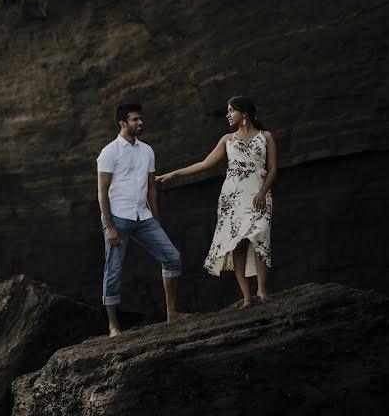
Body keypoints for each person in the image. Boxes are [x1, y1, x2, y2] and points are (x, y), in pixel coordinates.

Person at [156, 96, 277, 309]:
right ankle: (247, 297)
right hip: (232, 198)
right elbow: (204, 164)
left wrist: (262, 192)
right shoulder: (227, 140)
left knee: (260, 236)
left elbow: (273, 168)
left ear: (245, 113)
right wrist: (175, 174)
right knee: (237, 244)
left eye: (232, 111)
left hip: (259, 194)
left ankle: (262, 290)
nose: (228, 115)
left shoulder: (266, 137)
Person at [97, 103, 188, 336]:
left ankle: (172, 313)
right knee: (113, 270)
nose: (140, 123)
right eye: (135, 119)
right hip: (118, 218)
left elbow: (151, 189)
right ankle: (113, 326)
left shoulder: (147, 150)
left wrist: (155, 220)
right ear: (122, 123)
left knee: (172, 257)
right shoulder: (109, 152)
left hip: (143, 216)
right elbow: (102, 192)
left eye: (140, 119)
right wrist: (109, 226)